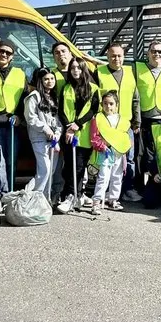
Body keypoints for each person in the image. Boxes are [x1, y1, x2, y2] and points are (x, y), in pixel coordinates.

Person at [96, 43, 142, 202]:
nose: (116, 59)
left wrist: (137, 121)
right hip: (106, 125)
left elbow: (136, 99)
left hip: (125, 125)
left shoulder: (130, 72)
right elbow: (95, 99)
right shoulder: (99, 72)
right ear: (107, 57)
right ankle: (104, 192)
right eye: (113, 56)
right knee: (106, 160)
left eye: (119, 55)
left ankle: (127, 189)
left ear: (123, 56)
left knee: (129, 158)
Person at [59, 57, 100, 209]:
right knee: (69, 166)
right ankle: (74, 194)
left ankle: (72, 195)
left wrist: (78, 124)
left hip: (84, 134)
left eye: (78, 68)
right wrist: (69, 127)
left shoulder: (93, 88)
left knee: (79, 167)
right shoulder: (66, 88)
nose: (75, 70)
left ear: (84, 70)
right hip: (68, 134)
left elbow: (93, 110)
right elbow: (61, 110)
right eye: (72, 68)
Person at [0, 40, 27, 194]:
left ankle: (9, 193)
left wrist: (20, 116)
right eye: (1, 51)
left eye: (8, 53)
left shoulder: (19, 73)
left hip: (12, 122)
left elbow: (25, 97)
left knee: (11, 162)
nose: (4, 54)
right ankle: (0, 194)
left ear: (12, 56)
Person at [135, 40, 161, 188]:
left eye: (160, 51)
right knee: (140, 153)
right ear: (148, 53)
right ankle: (138, 187)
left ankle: (157, 185)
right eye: (153, 51)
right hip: (143, 118)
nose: (157, 54)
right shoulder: (137, 68)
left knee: (158, 153)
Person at [24, 67, 63, 196]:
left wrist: (57, 133)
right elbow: (31, 117)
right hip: (39, 138)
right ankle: (35, 195)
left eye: (52, 78)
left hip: (53, 139)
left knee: (51, 170)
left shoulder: (54, 97)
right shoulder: (33, 97)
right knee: (44, 169)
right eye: (46, 79)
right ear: (40, 81)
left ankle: (45, 196)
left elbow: (58, 119)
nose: (50, 81)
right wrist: (45, 129)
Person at [90, 90, 130, 213]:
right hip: (105, 152)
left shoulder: (122, 120)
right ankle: (97, 201)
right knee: (103, 177)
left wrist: (125, 147)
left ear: (116, 105)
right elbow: (94, 137)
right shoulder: (98, 118)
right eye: (105, 103)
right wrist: (101, 146)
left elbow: (125, 136)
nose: (108, 106)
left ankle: (113, 199)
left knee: (117, 176)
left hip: (118, 152)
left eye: (111, 104)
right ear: (102, 104)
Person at [50, 40, 74, 198]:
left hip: (75, 124)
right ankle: (56, 192)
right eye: (57, 53)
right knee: (57, 160)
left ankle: (74, 191)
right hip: (57, 124)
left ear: (70, 54)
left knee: (75, 160)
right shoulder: (51, 75)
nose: (61, 55)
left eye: (63, 51)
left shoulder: (79, 72)